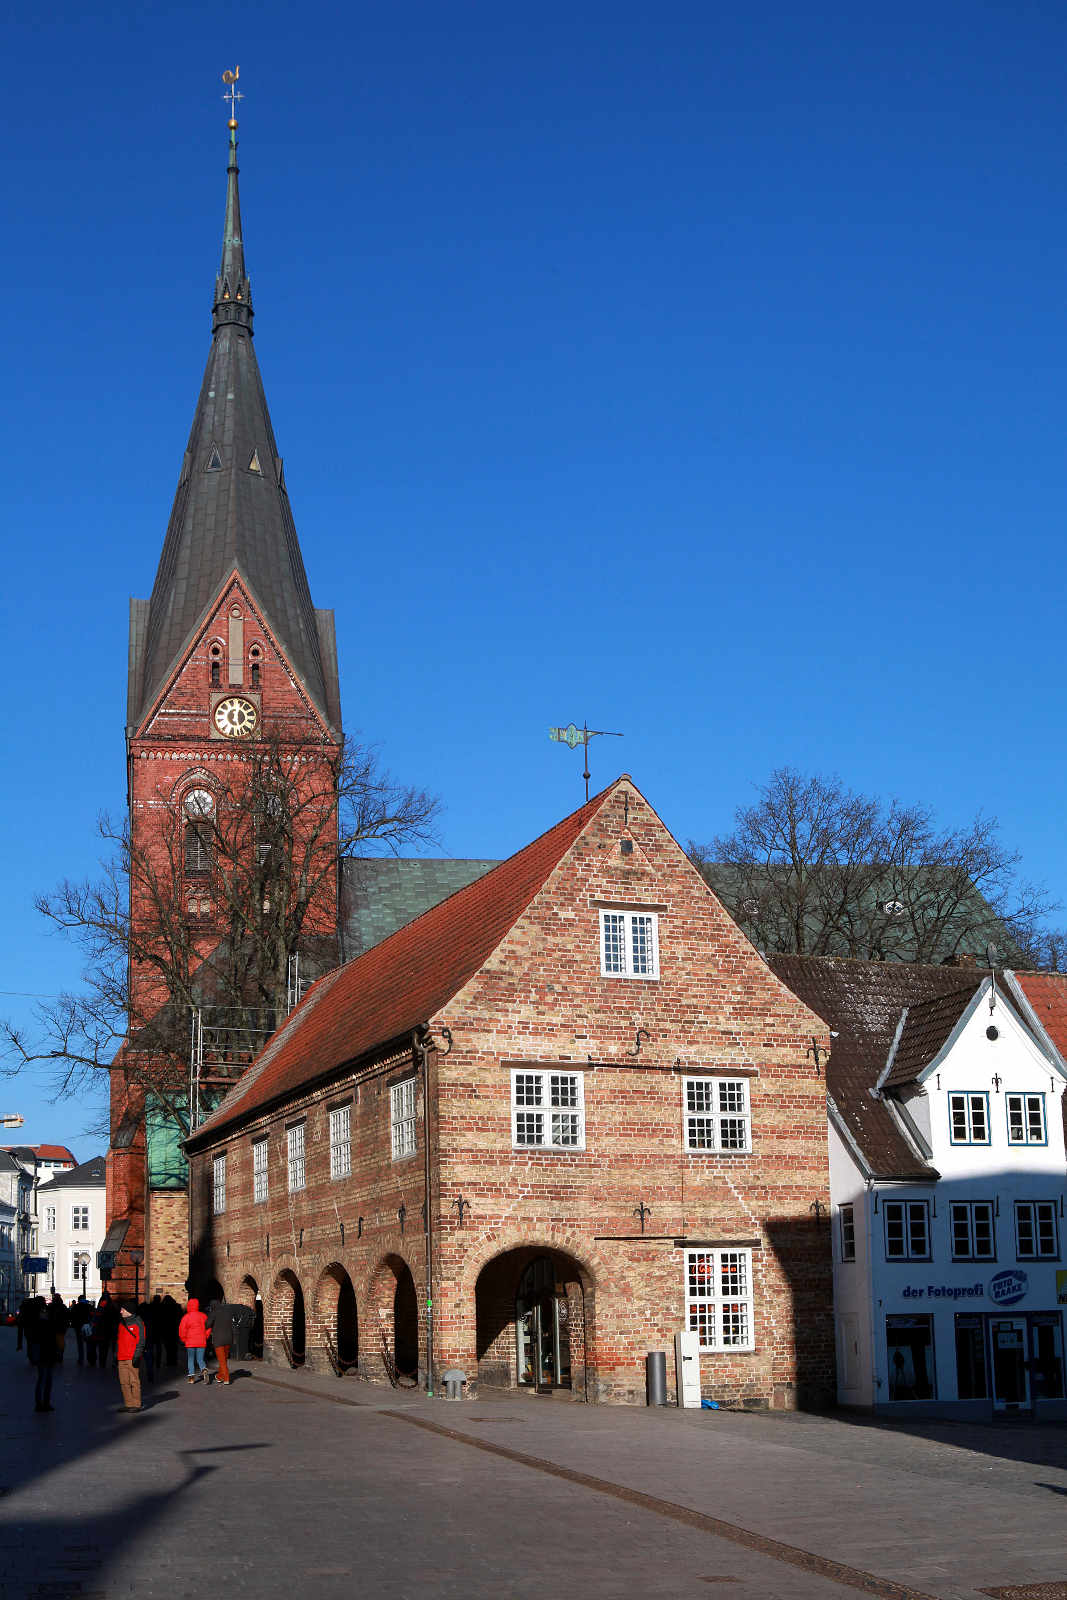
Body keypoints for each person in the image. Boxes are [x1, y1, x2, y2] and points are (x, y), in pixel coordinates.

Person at [26, 1297, 58, 1413]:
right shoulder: (37, 1321)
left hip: (46, 1351)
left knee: (46, 1378)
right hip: (44, 1352)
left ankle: (44, 1403)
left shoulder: (42, 1321)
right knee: (44, 1378)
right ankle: (41, 1403)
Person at [116, 1304, 146, 1413]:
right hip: (121, 1356)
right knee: (124, 1381)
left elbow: (141, 1340)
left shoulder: (138, 1322)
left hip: (132, 1357)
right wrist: (116, 1354)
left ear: (129, 1311)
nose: (121, 1312)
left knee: (134, 1381)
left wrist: (137, 1355)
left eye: (122, 1309)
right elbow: (118, 1339)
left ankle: (136, 1404)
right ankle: (128, 1403)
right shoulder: (121, 1323)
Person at [206, 1301, 237, 1385]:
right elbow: (233, 1325)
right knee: (224, 1359)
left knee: (221, 1360)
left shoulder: (213, 1313)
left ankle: (226, 1378)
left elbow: (207, 1325)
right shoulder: (228, 1312)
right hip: (228, 1338)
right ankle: (220, 1376)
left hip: (218, 1339)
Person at [178, 1297, 208, 1383]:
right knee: (200, 1359)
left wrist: (183, 1339)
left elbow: (182, 1330)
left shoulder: (186, 1317)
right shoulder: (203, 1316)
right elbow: (208, 1327)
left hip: (190, 1342)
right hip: (201, 1341)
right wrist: (205, 1336)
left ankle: (191, 1378)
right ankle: (203, 1369)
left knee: (190, 1359)